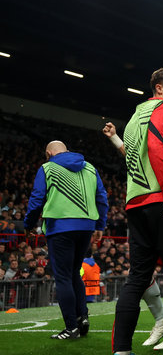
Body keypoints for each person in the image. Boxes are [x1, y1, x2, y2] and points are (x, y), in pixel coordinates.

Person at [111, 67, 163, 355]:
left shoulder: (134, 117)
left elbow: (131, 154)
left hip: (136, 201)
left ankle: (121, 353)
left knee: (137, 278)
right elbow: (158, 147)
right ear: (160, 88)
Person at [24, 141, 108, 339]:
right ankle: (82, 317)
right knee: (73, 274)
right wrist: (100, 225)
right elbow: (102, 197)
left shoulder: (47, 168)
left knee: (63, 277)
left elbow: (36, 200)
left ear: (48, 153)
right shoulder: (89, 167)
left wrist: (28, 225)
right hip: (86, 226)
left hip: (60, 227)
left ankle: (71, 327)